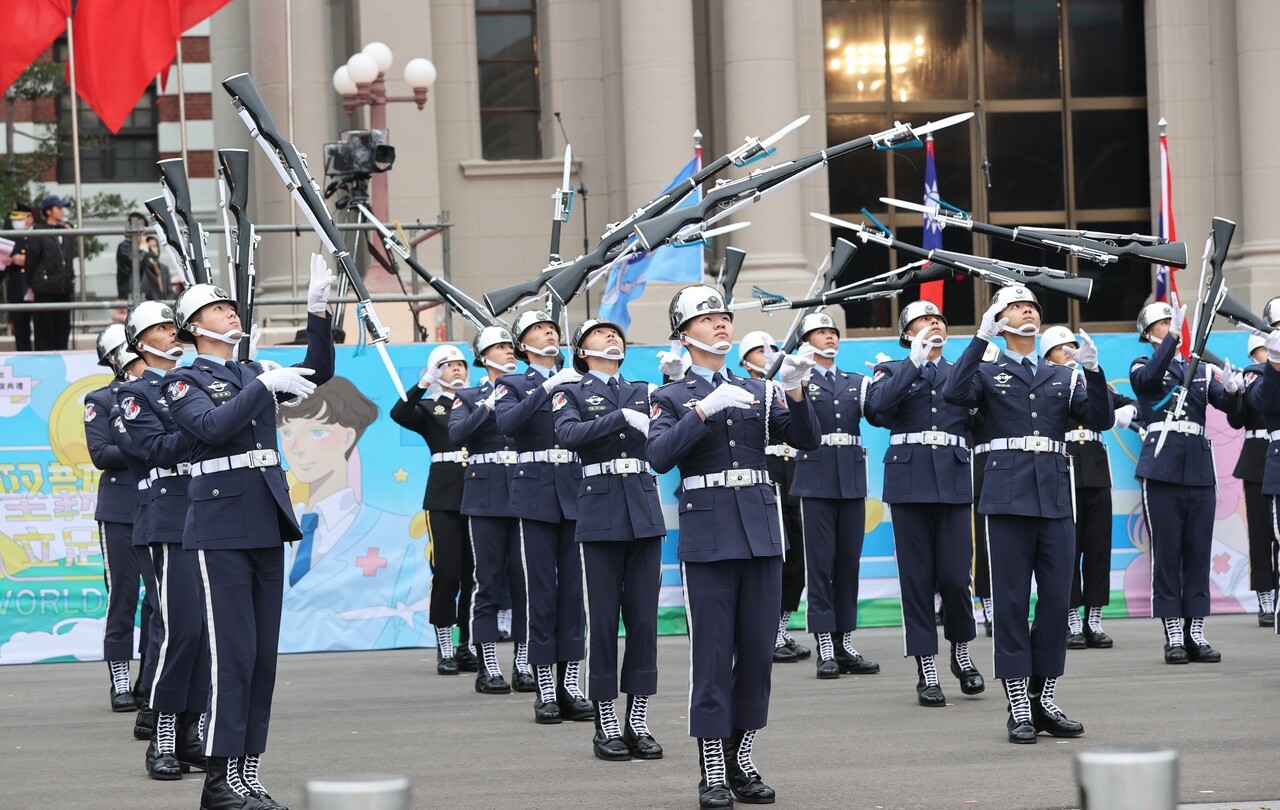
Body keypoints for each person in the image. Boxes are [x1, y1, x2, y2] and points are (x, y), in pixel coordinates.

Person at [165, 258, 335, 810]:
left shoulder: (248, 373)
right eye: (217, 308)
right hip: (219, 526)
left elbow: (318, 372)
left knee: (262, 657)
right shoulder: (181, 381)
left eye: (231, 305)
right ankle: (217, 780)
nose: (230, 312)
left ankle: (245, 772)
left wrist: (317, 311)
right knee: (231, 655)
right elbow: (211, 428)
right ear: (195, 327)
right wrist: (263, 384)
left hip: (264, 519)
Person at [648, 284, 820, 808]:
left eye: (724, 316)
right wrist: (702, 411)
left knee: (758, 655)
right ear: (684, 334)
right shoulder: (669, 397)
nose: (721, 324)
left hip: (761, 532)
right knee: (714, 654)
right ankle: (714, 767)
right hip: (709, 535)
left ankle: (743, 754)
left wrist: (795, 390)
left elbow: (807, 440)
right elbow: (657, 456)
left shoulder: (760, 390)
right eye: (707, 318)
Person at [943, 286, 1113, 744]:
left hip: (1056, 499)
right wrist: (979, 338)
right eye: (1017, 307)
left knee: (1059, 600)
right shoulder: (985, 368)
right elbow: (952, 392)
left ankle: (1044, 695)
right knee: (1012, 603)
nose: (1028, 313)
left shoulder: (1061, 375)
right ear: (1000, 319)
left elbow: (1100, 420)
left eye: (1033, 307)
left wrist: (1094, 373)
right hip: (1006, 497)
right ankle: (1019, 703)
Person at [553, 318, 664, 761]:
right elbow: (566, 435)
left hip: (642, 507)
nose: (611, 337)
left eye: (615, 333)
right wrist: (619, 417)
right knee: (601, 622)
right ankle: (605, 719)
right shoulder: (572, 392)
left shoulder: (644, 388)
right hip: (599, 510)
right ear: (582, 350)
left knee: (643, 622)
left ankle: (637, 718)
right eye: (600, 334)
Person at [866, 300, 984, 707]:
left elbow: (980, 418)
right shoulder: (892, 370)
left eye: (939, 319)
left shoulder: (963, 372)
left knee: (955, 577)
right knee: (916, 580)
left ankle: (961, 650)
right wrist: (912, 365)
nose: (934, 323)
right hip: (909, 481)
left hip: (952, 480)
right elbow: (877, 410)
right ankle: (926, 667)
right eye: (923, 320)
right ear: (906, 333)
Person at [119, 300, 208, 781]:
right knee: (181, 631)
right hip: (171, 517)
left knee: (208, 637)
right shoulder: (135, 394)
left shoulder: (197, 380)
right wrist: (200, 426)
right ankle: (163, 739)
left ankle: (192, 734)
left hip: (212, 513)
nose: (172, 331)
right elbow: (151, 449)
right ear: (139, 342)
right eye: (159, 327)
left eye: (173, 324)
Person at [278, 377, 427, 652]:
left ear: (347, 436)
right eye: (287, 433)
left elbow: (410, 621)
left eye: (316, 432)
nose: (297, 448)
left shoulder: (396, 533)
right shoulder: (278, 523)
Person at [1132, 299, 1243, 665]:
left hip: (1197, 468)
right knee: (1167, 554)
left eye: (1172, 322)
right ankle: (1174, 634)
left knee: (1197, 553)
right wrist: (1171, 342)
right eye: (1163, 323)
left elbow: (1232, 413)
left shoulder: (1198, 370)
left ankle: (1196, 631)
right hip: (1162, 468)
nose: (1170, 326)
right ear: (1149, 334)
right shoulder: (1143, 364)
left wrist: (1231, 390)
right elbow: (1147, 382)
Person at [494, 310, 591, 724]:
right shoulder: (512, 383)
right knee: (540, 595)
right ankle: (545, 686)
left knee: (574, 593)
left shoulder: (578, 383)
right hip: (534, 491)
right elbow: (507, 424)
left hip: (573, 488)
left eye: (552, 329)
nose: (548, 334)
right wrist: (545, 389)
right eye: (538, 330)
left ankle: (571, 682)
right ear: (522, 344)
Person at [781, 311, 880, 681]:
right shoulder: (797, 380)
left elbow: (879, 413)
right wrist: (794, 380)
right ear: (805, 341)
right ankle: (825, 643)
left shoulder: (857, 381)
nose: (829, 337)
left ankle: (845, 641)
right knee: (820, 566)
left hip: (851, 479)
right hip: (816, 477)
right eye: (820, 332)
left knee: (847, 565)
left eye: (832, 332)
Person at [1040, 325, 1139, 649]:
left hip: (1095, 472)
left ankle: (1093, 619)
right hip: (1063, 471)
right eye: (1062, 349)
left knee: (1097, 550)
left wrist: (1126, 410)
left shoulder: (1089, 383)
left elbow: (1128, 404)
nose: (1069, 353)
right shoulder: (1047, 385)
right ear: (1048, 356)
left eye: (1073, 347)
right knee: (1068, 551)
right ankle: (1070, 620)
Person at [448, 325, 534, 696]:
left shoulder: (528, 391)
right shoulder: (468, 396)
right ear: (483, 358)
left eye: (510, 346)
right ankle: (487, 665)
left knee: (527, 583)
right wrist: (487, 404)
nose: (508, 352)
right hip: (485, 498)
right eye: (499, 347)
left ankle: (524, 664)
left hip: (526, 491)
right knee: (488, 582)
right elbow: (456, 434)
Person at [390, 344, 479, 674]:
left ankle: (467, 645)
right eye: (447, 364)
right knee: (447, 572)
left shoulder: (479, 405)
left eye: (460, 364)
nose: (456, 369)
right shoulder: (429, 407)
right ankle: (445, 647)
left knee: (475, 575)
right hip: (443, 497)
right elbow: (399, 414)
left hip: (479, 494)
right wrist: (425, 382)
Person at [84, 324, 148, 713]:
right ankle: (120, 680)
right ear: (112, 359)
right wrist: (147, 446)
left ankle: (149, 678)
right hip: (120, 510)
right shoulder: (101, 399)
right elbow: (100, 454)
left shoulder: (162, 390)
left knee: (162, 600)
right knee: (123, 596)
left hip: (159, 505)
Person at [737, 331, 810, 663]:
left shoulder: (782, 385)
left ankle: (780, 627)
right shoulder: (745, 387)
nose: (767, 355)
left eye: (771, 349)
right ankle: (767, 633)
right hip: (765, 476)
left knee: (797, 563)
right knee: (775, 561)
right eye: (758, 350)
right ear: (744, 360)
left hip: (791, 476)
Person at [1236, 325, 1277, 627]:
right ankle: (1265, 595)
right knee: (1262, 533)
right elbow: (1238, 416)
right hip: (1257, 460)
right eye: (1261, 349)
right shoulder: (1253, 374)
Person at [24, 194, 76, 350]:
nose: (62, 211)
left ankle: (62, 363)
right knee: (45, 333)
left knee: (63, 331)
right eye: (58, 208)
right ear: (48, 211)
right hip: (45, 289)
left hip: (63, 288)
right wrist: (36, 282)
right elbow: (31, 261)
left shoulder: (64, 230)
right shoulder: (38, 232)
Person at [2, 201, 35, 351]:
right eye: (14, 219)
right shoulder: (10, 238)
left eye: (19, 218)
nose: (16, 222)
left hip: (36, 288)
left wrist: (25, 261)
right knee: (21, 331)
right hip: (17, 289)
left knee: (43, 330)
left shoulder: (39, 234)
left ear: (30, 218)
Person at [116, 213, 171, 302]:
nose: (140, 231)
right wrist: (142, 249)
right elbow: (134, 264)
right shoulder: (124, 247)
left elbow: (154, 260)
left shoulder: (145, 245)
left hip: (150, 297)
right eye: (138, 227)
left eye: (143, 228)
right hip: (130, 297)